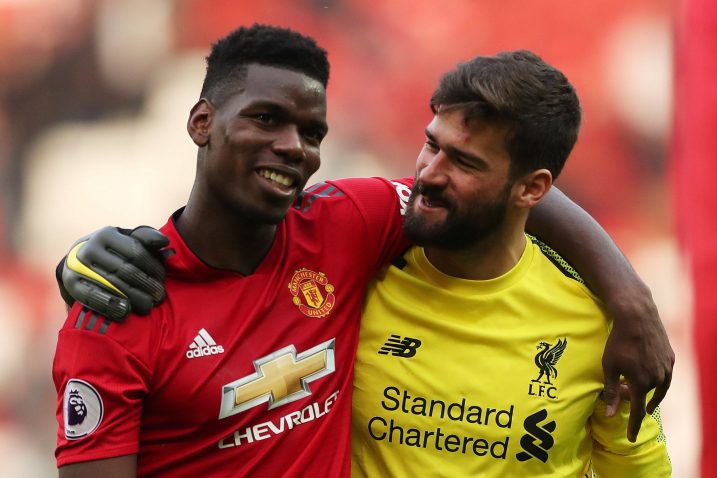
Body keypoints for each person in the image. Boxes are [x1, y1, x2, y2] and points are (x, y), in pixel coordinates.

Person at [52, 24, 672, 477]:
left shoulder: (347, 228)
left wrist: (629, 297)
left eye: (311, 132)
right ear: (201, 123)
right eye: (266, 119)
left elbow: (489, 194)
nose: (293, 146)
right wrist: (77, 254)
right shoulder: (120, 304)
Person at [350, 51, 671, 476]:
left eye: (464, 162)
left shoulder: (594, 323)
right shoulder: (356, 276)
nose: (428, 174)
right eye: (432, 144)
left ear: (532, 189)